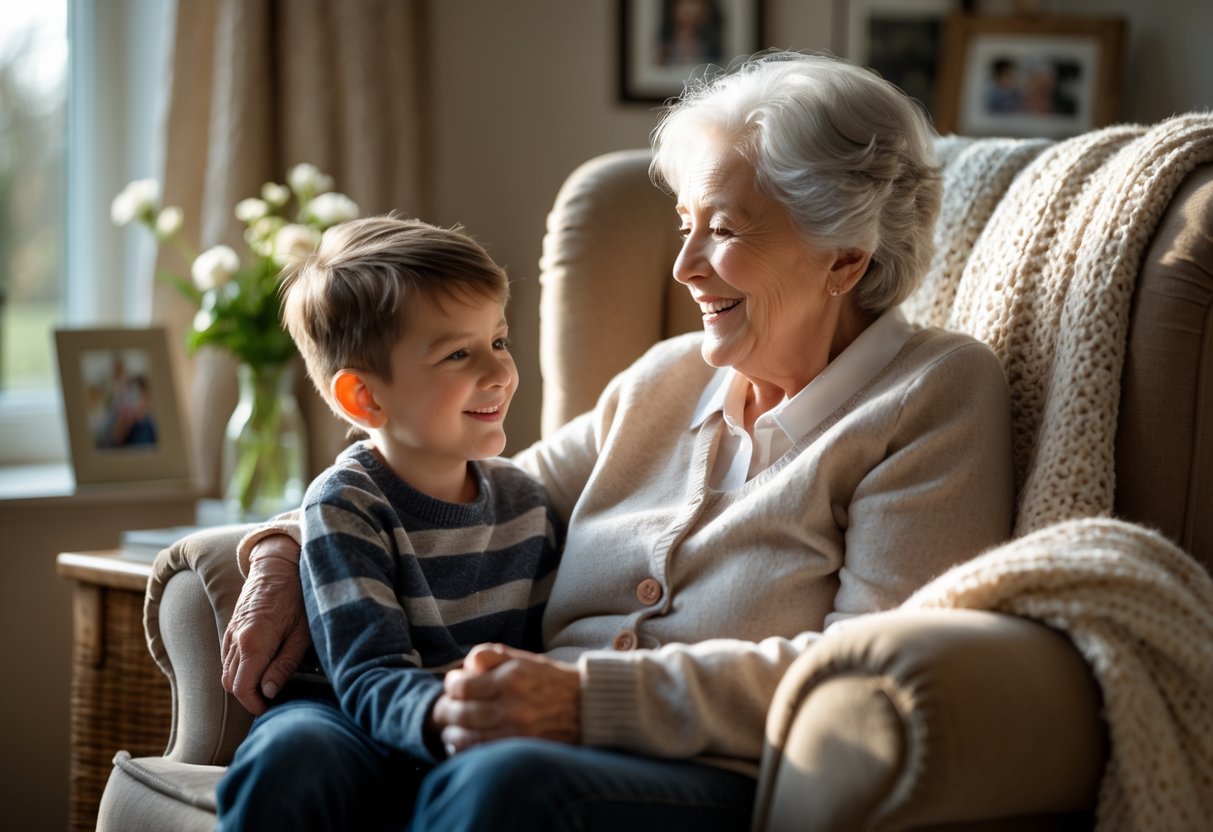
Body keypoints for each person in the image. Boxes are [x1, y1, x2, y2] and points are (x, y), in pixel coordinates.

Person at [220, 51, 1015, 831]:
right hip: (506, 728)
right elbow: (459, 490)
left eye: (724, 229)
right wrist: (292, 548)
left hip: (707, 771)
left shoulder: (931, 393)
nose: (683, 267)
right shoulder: (666, 380)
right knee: (296, 752)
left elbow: (867, 672)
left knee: (505, 784)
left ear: (843, 257)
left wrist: (584, 701)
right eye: (684, 225)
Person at [216, 216, 561, 829]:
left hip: (475, 737)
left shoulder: (528, 503)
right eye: (459, 352)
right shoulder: (345, 503)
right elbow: (369, 674)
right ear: (365, 399)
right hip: (349, 721)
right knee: (289, 753)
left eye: (499, 342)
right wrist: (446, 715)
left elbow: (541, 649)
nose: (500, 372)